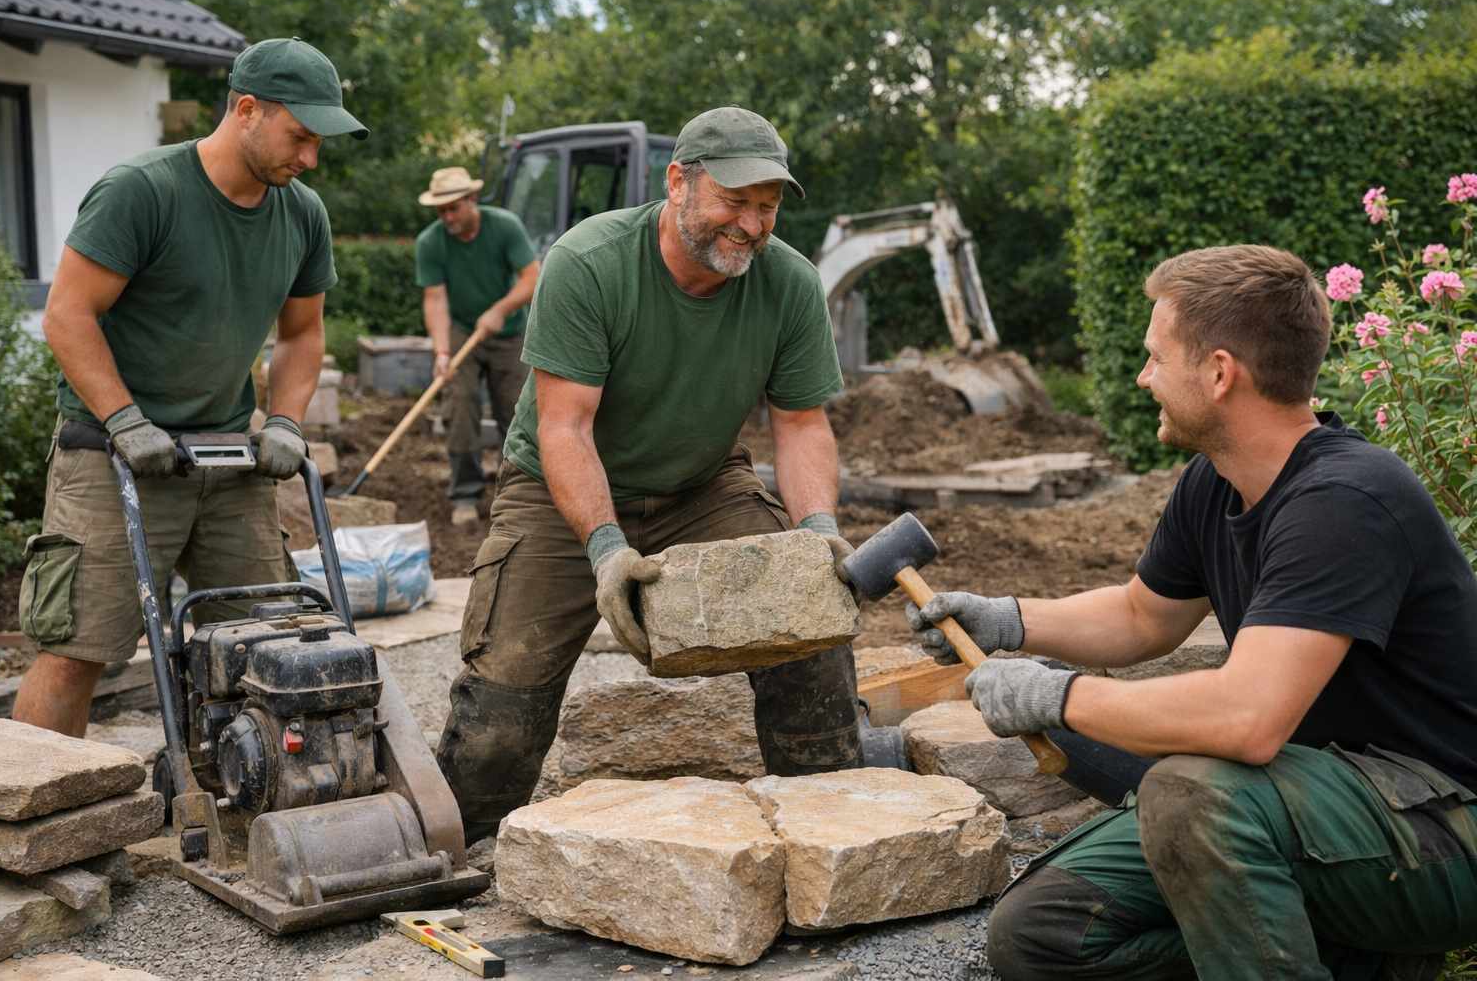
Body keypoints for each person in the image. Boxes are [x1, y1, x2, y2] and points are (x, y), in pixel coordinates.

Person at [907, 245, 1477, 980]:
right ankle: (1351, 960)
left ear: (1218, 373)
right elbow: (1142, 616)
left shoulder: (1345, 501)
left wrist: (1060, 695)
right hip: (1306, 804)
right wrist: (1006, 619)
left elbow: (1247, 719)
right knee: (1041, 935)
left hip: (1439, 828)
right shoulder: (1216, 482)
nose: (1143, 377)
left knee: (1186, 792)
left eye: (1155, 357)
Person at [435, 106, 863, 842]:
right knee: (504, 702)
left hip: (704, 486)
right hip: (557, 490)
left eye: (766, 207)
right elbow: (564, 428)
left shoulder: (789, 283)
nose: (752, 226)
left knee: (812, 634)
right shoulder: (590, 262)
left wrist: (818, 532)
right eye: (734, 201)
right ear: (678, 183)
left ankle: (830, 833)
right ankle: (460, 849)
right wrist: (606, 549)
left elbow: (800, 425)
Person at [12, 37, 368, 738]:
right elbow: (67, 315)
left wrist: (285, 422)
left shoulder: (302, 214)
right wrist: (124, 418)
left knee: (267, 642)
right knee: (78, 650)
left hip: (229, 460)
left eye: (319, 143)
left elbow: (302, 334)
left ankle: (242, 791)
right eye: (300, 137)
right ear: (247, 109)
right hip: (112, 455)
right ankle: (31, 806)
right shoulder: (143, 192)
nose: (310, 159)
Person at [414, 166, 539, 526]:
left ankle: (517, 494)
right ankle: (465, 493)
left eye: (453, 208)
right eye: (441, 211)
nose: (447, 217)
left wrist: (500, 310)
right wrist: (442, 352)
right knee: (460, 406)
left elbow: (532, 276)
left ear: (472, 199)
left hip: (509, 331)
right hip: (461, 329)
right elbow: (435, 300)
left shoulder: (504, 227)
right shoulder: (431, 242)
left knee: (516, 412)